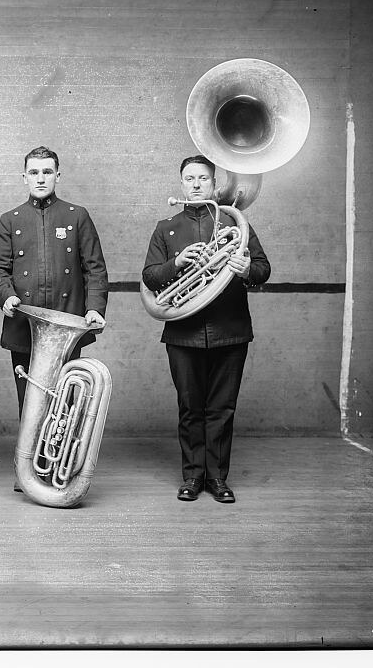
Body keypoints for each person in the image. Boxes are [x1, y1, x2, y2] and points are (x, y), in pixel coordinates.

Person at [141, 154, 271, 504]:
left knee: (222, 408)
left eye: (202, 178)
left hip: (230, 329)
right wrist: (177, 263)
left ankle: (217, 478)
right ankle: (192, 476)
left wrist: (245, 269)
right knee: (190, 406)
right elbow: (150, 276)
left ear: (215, 183)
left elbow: (263, 269)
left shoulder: (233, 221)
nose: (196, 184)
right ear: (180, 184)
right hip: (183, 333)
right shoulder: (165, 228)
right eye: (189, 178)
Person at [0, 146, 108, 492]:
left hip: (67, 325)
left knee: (65, 402)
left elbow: (95, 268)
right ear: (24, 177)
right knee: (29, 399)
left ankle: (59, 466)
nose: (40, 178)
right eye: (34, 172)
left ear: (58, 175)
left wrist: (95, 307)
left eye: (47, 172)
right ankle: (27, 467)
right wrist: (5, 295)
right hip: (24, 325)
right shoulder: (9, 219)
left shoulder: (77, 215)